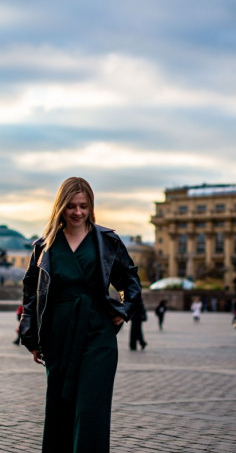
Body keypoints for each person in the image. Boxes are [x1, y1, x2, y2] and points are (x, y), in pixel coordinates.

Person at [19, 176, 142, 453]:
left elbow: (130, 280)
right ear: (60, 207)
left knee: (91, 411)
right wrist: (32, 338)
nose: (77, 212)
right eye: (71, 206)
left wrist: (124, 312)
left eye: (83, 206)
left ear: (91, 206)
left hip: (98, 333)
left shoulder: (107, 241)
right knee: (60, 409)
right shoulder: (44, 247)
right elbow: (31, 294)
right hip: (57, 335)